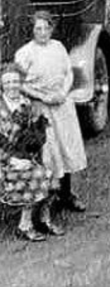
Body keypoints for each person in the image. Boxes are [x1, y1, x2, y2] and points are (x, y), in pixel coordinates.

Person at [15, 11, 88, 215]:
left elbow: (69, 73)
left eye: (46, 28)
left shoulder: (58, 47)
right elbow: (17, 82)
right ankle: (45, 200)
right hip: (41, 107)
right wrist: (43, 97)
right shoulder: (25, 53)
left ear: (52, 29)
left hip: (62, 104)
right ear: (31, 31)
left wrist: (63, 92)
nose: (43, 32)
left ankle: (67, 194)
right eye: (38, 28)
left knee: (66, 148)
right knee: (50, 152)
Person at [0, 63, 60, 241]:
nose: (12, 85)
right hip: (5, 159)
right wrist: (12, 160)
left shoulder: (27, 104)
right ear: (2, 85)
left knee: (52, 173)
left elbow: (37, 135)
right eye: (7, 82)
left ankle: (44, 218)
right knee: (35, 175)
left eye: (16, 81)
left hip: (24, 155)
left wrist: (41, 155)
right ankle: (24, 226)